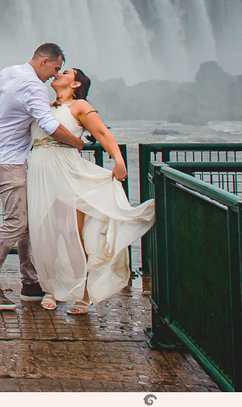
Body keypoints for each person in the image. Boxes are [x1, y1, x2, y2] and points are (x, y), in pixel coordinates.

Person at [27, 67, 155, 314]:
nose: (57, 74)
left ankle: (83, 294)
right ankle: (50, 290)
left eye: (64, 72)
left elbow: (102, 132)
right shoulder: (44, 105)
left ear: (75, 84)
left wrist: (118, 160)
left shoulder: (80, 106)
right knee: (46, 235)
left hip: (67, 173)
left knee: (73, 234)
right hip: (40, 174)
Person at [0, 43, 86, 310]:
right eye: (56, 69)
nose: (54, 76)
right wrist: (78, 143)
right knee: (16, 222)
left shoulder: (9, 72)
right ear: (45, 60)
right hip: (9, 160)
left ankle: (31, 283)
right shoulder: (35, 87)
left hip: (2, 156)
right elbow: (48, 125)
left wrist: (8, 114)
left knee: (26, 223)